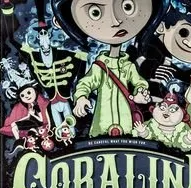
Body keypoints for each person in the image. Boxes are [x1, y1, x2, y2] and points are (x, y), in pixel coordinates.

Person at [53, 0, 166, 137]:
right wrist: (81, 98)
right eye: (95, 12)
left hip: (126, 121)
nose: (116, 21)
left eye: (127, 6)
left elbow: (139, 82)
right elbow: (86, 83)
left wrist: (140, 93)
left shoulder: (128, 66)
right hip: (102, 122)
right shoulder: (99, 67)